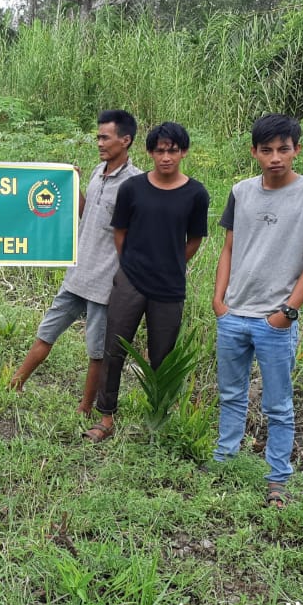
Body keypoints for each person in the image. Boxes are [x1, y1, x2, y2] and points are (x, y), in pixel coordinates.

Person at [212, 114, 303, 509]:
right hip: (234, 313)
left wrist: (288, 312)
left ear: (297, 149)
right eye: (267, 150)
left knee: (277, 405)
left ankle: (276, 478)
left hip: (275, 321)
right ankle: (224, 463)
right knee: (231, 394)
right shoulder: (240, 191)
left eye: (284, 149)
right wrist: (219, 300)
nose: (275, 157)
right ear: (254, 152)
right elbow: (229, 247)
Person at [86, 122, 210, 441]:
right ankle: (106, 417)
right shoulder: (133, 188)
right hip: (130, 281)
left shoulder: (196, 193)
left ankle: (157, 417)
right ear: (149, 152)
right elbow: (120, 232)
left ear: (183, 152)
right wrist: (129, 265)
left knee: (162, 356)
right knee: (115, 348)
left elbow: (195, 238)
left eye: (173, 150)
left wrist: (173, 263)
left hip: (169, 287)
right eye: (159, 150)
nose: (166, 157)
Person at [10, 110, 140, 413]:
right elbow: (88, 214)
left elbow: (132, 236)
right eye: (98, 137)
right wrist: (75, 185)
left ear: (126, 140)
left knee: (96, 352)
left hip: (103, 284)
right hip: (77, 275)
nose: (99, 143)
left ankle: (84, 409)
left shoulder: (135, 185)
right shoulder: (98, 171)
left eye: (105, 137)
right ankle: (15, 384)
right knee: (46, 331)